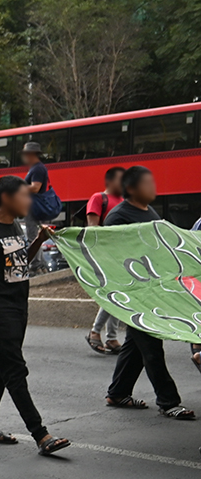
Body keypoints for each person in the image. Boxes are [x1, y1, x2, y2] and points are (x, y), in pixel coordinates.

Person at [0, 176, 70, 455]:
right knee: (14, 369)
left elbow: (19, 262)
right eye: (24, 196)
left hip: (18, 306)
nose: (29, 201)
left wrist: (38, 241)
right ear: (7, 198)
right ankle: (41, 434)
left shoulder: (15, 227)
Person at [104, 166, 195, 420]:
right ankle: (168, 401)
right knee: (151, 346)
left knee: (136, 344)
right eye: (147, 183)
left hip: (153, 290)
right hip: (133, 294)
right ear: (131, 188)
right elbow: (108, 256)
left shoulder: (150, 212)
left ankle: (118, 392)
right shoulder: (117, 217)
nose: (153, 187)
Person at [85, 167, 126, 355]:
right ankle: (96, 331)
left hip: (121, 254)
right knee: (115, 292)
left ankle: (111, 337)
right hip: (105, 254)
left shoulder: (124, 201)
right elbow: (93, 229)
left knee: (119, 292)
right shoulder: (98, 198)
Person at [21, 141, 60, 239]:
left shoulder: (37, 168)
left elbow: (35, 188)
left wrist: (18, 188)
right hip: (33, 206)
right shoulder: (35, 168)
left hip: (34, 206)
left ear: (31, 154)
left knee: (32, 236)